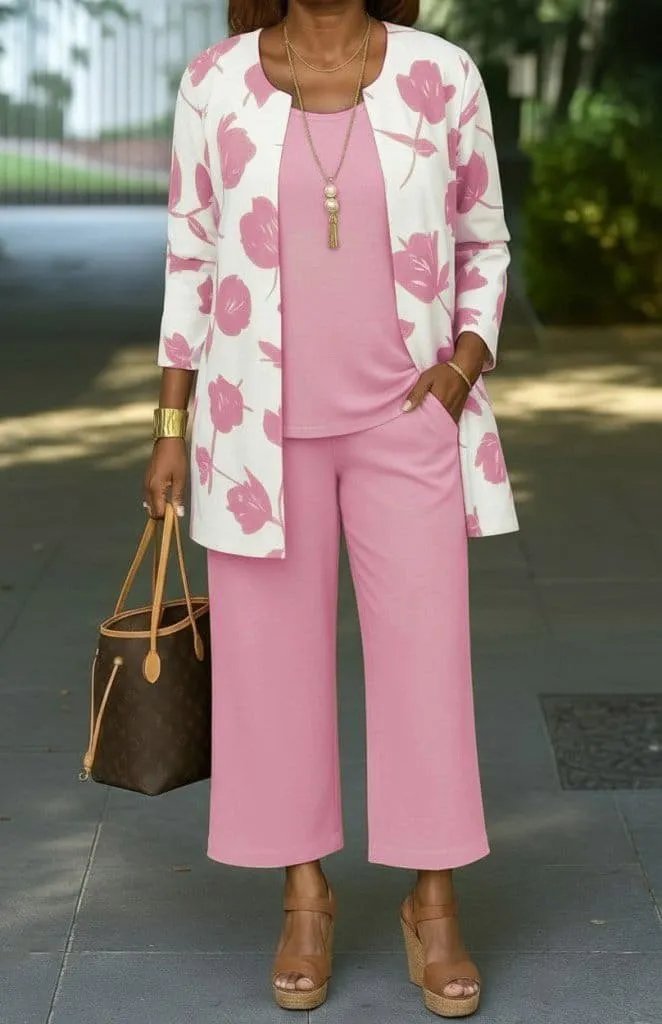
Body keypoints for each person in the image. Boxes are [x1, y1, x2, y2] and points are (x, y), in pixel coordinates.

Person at [143, 0, 518, 1016]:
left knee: (427, 667)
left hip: (408, 419)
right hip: (252, 432)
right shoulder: (214, 80)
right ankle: (303, 898)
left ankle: (432, 904)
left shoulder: (440, 73)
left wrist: (461, 366)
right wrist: (172, 423)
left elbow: (482, 238)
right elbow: (190, 254)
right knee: (268, 677)